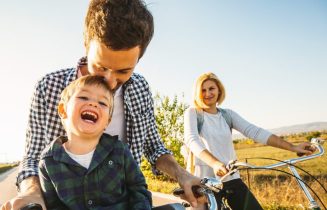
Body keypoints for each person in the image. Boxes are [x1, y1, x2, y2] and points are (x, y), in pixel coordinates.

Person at [1, 0, 200, 209]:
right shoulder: (49, 87)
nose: (110, 81)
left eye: (123, 71)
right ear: (87, 45)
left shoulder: (140, 88)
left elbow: (154, 147)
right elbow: (33, 156)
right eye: (101, 66)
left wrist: (183, 175)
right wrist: (33, 194)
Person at [183, 72, 315, 210]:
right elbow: (192, 140)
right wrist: (215, 163)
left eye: (211, 88)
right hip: (204, 182)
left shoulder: (227, 115)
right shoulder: (193, 113)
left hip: (231, 178)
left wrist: (293, 147)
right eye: (203, 90)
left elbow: (255, 132)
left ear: (219, 90)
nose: (207, 93)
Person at [38, 75, 151, 209]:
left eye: (102, 103)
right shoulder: (48, 162)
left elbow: (138, 189)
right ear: (63, 110)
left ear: (107, 122)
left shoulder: (119, 150)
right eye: (83, 97)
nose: (93, 103)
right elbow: (54, 206)